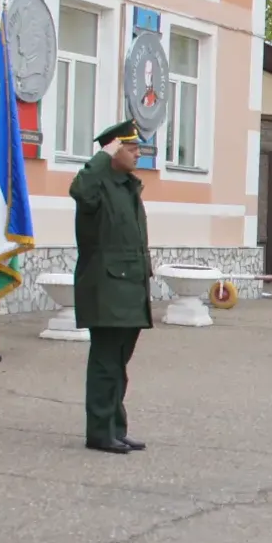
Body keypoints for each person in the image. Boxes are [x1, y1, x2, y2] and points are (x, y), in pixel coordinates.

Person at [71, 122, 153, 454]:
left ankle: (116, 427)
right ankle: (99, 431)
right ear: (111, 150)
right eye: (130, 148)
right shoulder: (97, 184)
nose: (138, 153)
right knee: (106, 362)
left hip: (130, 287)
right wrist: (100, 158)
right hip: (106, 286)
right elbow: (79, 190)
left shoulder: (127, 186)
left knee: (119, 363)